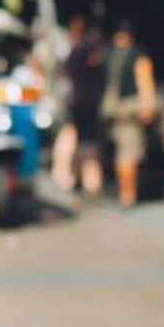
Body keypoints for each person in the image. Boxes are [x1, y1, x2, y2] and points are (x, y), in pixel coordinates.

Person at [101, 20, 164, 207]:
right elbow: (145, 79)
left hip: (116, 109)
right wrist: (148, 104)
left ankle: (127, 194)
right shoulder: (137, 55)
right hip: (136, 104)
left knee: (126, 150)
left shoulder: (107, 55)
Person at [52, 15, 105, 195]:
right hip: (85, 103)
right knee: (86, 143)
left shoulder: (74, 50)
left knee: (77, 140)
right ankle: (86, 180)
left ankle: (73, 176)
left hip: (77, 101)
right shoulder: (85, 50)